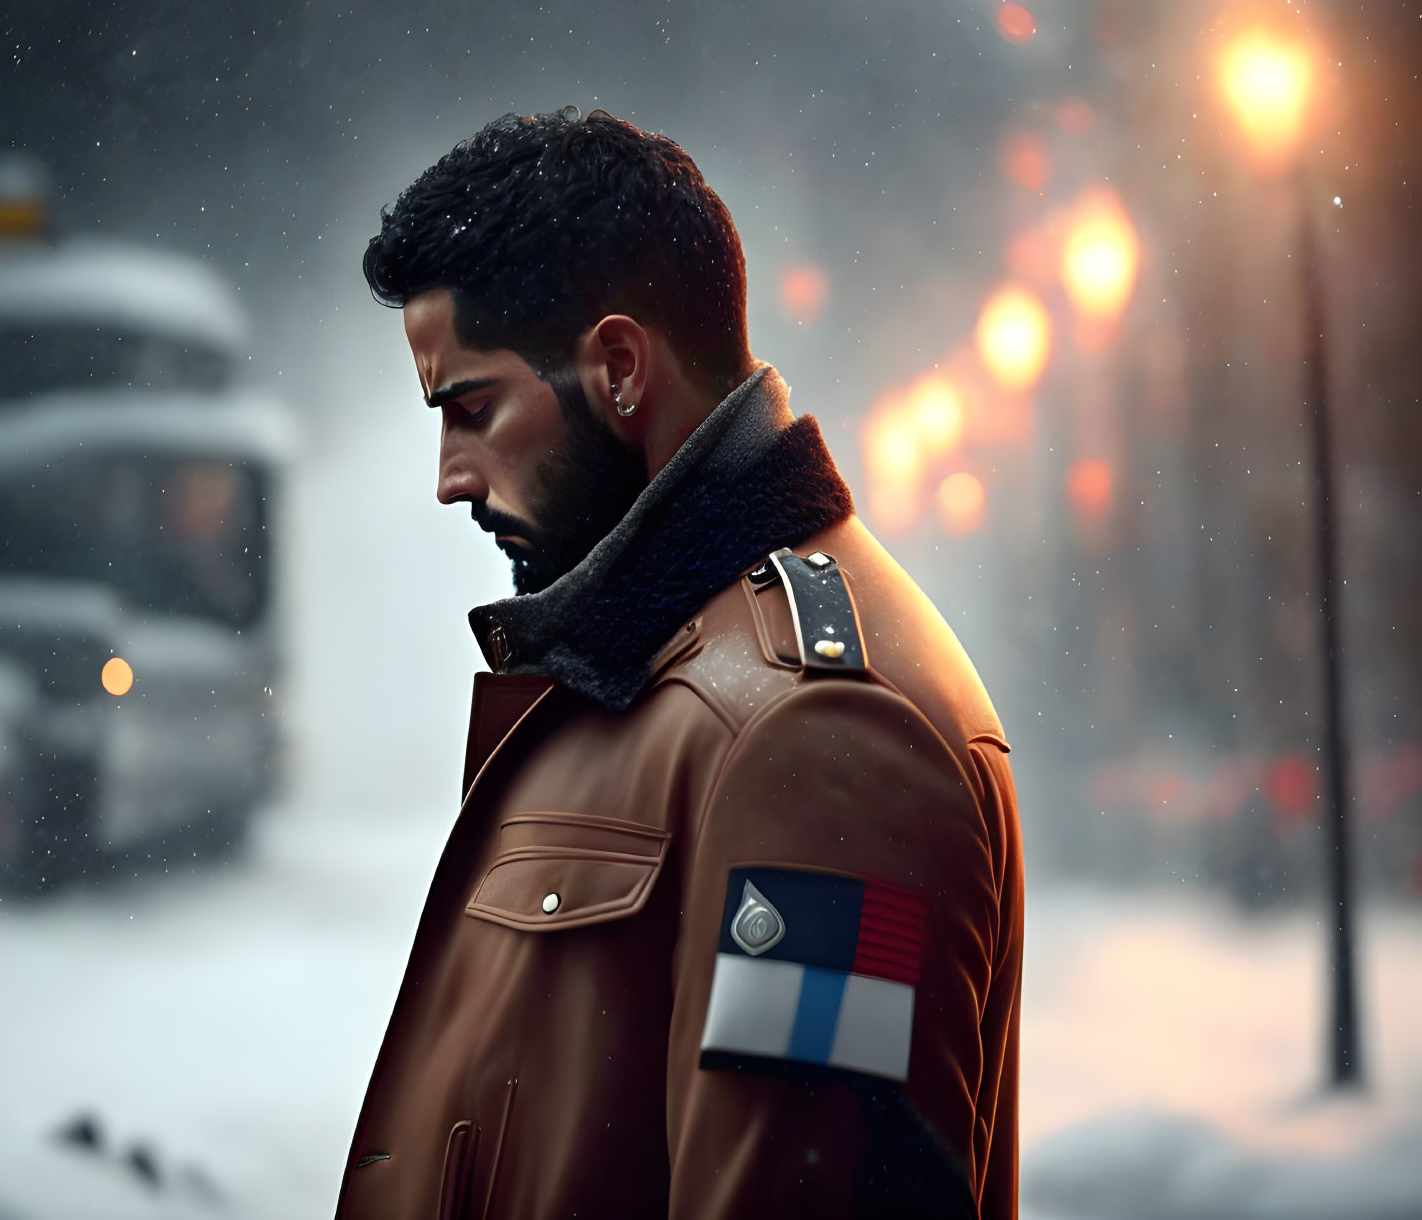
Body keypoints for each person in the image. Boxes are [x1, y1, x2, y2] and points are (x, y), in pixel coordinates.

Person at [336, 107, 1023, 1220]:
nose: (450, 478)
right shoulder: (649, 667)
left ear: (616, 366)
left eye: (472, 408)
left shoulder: (814, 736)